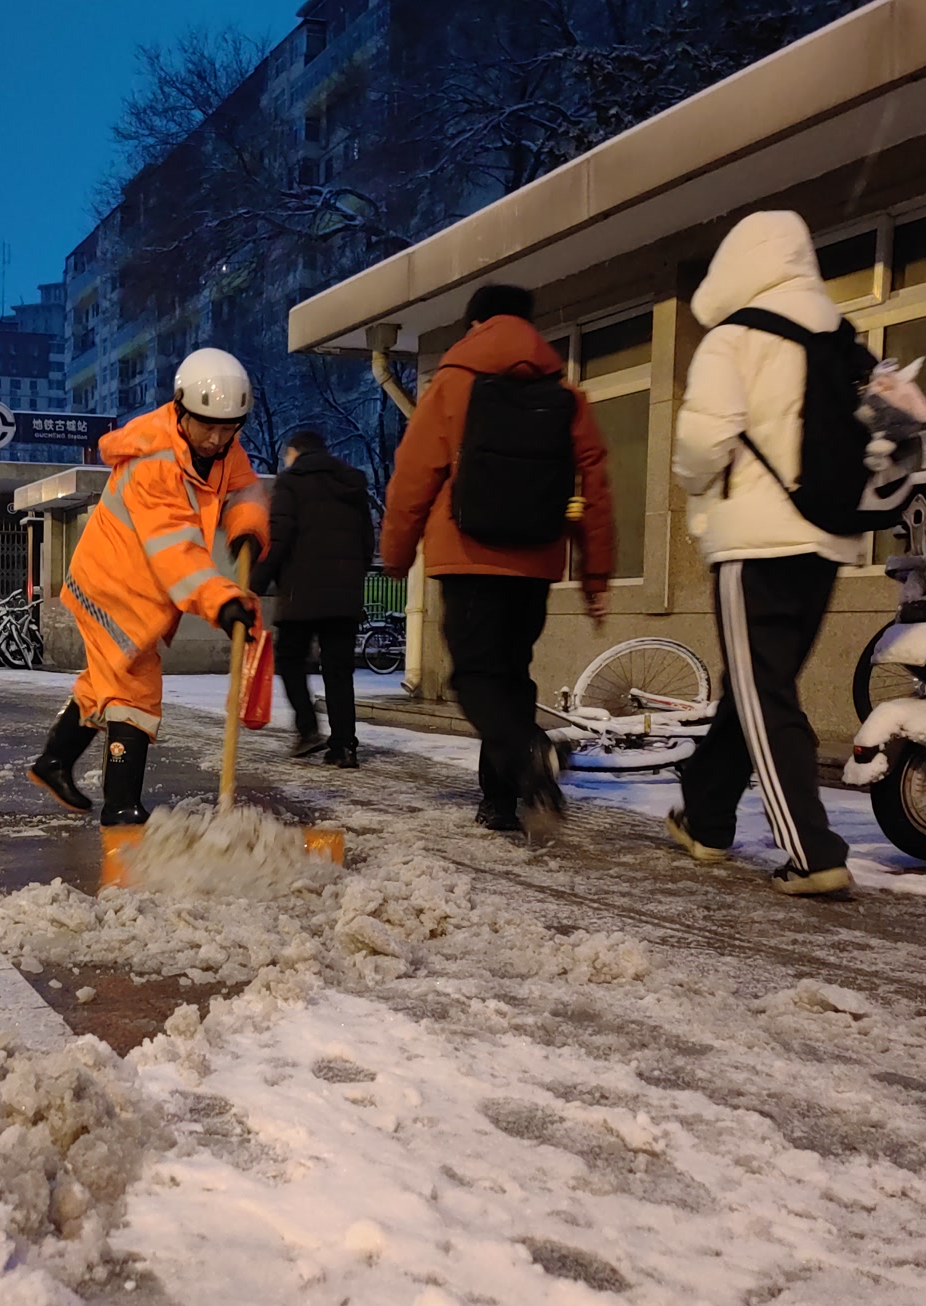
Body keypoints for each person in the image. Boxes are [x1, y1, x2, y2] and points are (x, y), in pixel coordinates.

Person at [666, 211, 860, 897]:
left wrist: (692, 480)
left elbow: (703, 444)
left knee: (764, 694)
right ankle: (707, 817)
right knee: (755, 688)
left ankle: (813, 851)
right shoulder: (840, 338)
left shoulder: (735, 337)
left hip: (755, 540)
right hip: (826, 537)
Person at [381, 282, 614, 843]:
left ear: (474, 325)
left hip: (467, 557)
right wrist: (595, 572)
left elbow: (414, 476)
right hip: (535, 562)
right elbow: (595, 485)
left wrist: (395, 552)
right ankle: (502, 799)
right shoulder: (565, 395)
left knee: (475, 679)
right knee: (509, 676)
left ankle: (530, 752)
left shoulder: (451, 386)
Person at [27, 347, 269, 824]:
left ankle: (53, 760)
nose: (217, 439)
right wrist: (221, 601)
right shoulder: (154, 464)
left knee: (106, 680)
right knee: (134, 690)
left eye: (229, 429)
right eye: (208, 427)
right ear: (181, 409)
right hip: (112, 586)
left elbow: (245, 488)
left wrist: (247, 527)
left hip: (143, 590)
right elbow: (176, 551)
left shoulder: (224, 447)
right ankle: (121, 809)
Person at [252, 429, 375, 768]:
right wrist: (352, 577)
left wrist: (256, 582)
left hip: (301, 593)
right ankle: (344, 746)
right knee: (339, 671)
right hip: (344, 596)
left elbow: (280, 537)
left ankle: (307, 729)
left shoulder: (291, 482)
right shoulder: (352, 482)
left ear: (294, 452)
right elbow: (367, 541)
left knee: (289, 659)